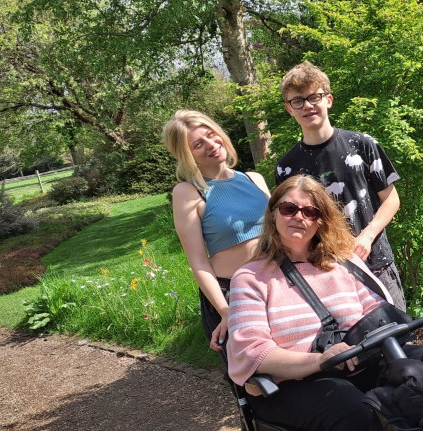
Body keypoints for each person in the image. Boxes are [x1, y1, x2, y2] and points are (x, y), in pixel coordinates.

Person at [226, 174, 393, 430]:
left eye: (311, 211)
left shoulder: (343, 263)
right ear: (273, 214)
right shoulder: (251, 278)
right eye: (289, 208)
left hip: (357, 367)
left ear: (320, 221)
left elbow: (377, 315)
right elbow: (252, 352)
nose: (299, 216)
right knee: (351, 409)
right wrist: (321, 360)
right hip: (290, 385)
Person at [274, 61, 407, 311]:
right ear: (288, 109)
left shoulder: (363, 144)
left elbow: (391, 199)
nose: (308, 105)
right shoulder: (286, 167)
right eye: (298, 101)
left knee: (399, 338)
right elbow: (290, 223)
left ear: (329, 100)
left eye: (315, 96)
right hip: (325, 272)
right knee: (350, 346)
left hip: (376, 262)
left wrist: (367, 237)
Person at [162, 109, 271, 352]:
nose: (212, 145)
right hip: (234, 293)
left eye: (212, 135)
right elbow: (198, 262)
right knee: (257, 377)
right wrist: (226, 311)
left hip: (276, 283)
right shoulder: (188, 192)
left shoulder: (254, 179)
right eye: (198, 144)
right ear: (187, 156)